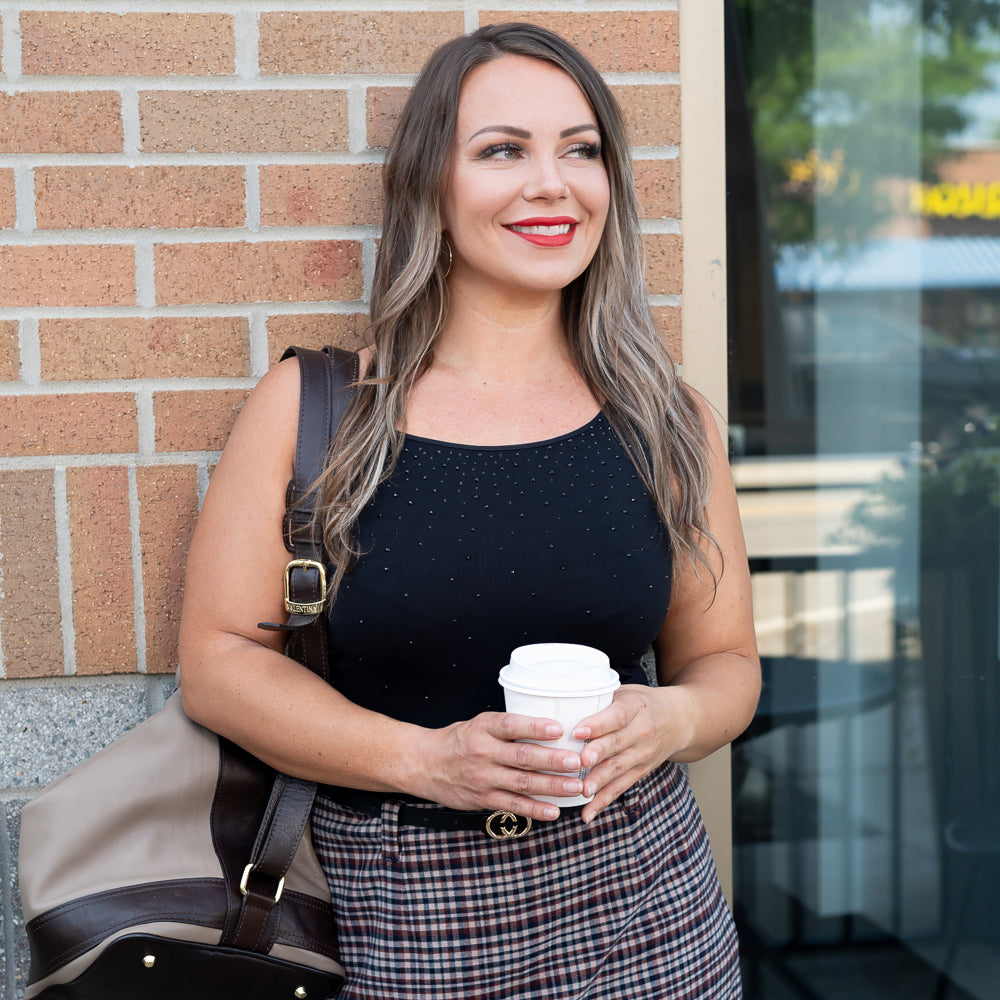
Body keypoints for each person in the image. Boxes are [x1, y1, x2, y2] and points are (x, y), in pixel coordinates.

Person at [179, 22, 760, 999]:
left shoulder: (668, 419)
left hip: (650, 899)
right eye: (502, 151)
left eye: (581, 151)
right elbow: (219, 666)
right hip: (405, 909)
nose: (552, 183)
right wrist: (424, 759)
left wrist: (671, 719)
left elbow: (727, 664)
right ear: (428, 187)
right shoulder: (318, 409)